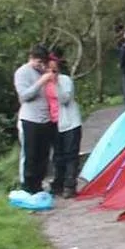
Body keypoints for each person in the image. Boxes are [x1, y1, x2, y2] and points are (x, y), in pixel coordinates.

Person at [13, 44, 57, 193]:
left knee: (43, 155)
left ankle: (38, 184)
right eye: (38, 62)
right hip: (30, 119)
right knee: (30, 155)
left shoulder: (44, 71)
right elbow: (24, 95)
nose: (41, 65)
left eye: (43, 62)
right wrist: (41, 81)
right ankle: (28, 186)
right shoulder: (22, 73)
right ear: (31, 58)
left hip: (45, 119)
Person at [48, 52, 83, 197]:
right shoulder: (43, 83)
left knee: (71, 154)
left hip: (70, 123)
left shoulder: (65, 80)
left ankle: (70, 185)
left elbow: (65, 99)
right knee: (58, 156)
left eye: (53, 69)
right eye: (48, 69)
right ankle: (58, 183)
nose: (50, 72)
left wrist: (56, 83)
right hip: (53, 123)